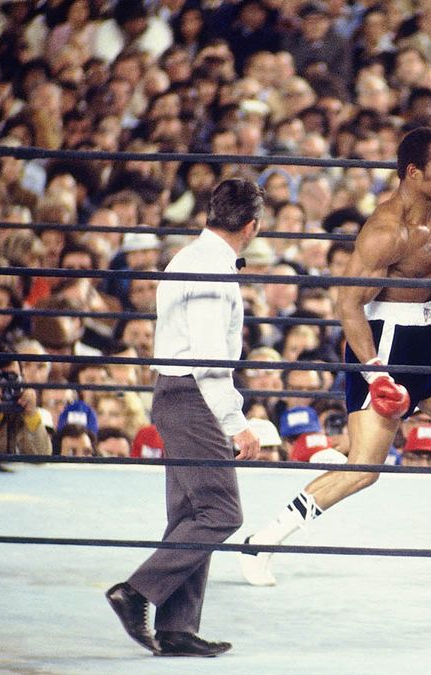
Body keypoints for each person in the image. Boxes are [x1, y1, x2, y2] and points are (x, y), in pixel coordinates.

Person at [239, 127, 431, 587]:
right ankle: (264, 540)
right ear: (412, 173)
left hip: (426, 334)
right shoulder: (384, 230)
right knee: (365, 467)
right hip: (384, 339)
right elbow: (347, 304)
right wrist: (375, 370)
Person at [105, 178, 263, 658]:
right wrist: (237, 423)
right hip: (194, 395)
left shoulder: (188, 257)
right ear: (251, 227)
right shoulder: (210, 269)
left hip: (177, 393)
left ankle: (176, 629)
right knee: (221, 514)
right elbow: (210, 358)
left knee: (191, 515)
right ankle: (135, 592)